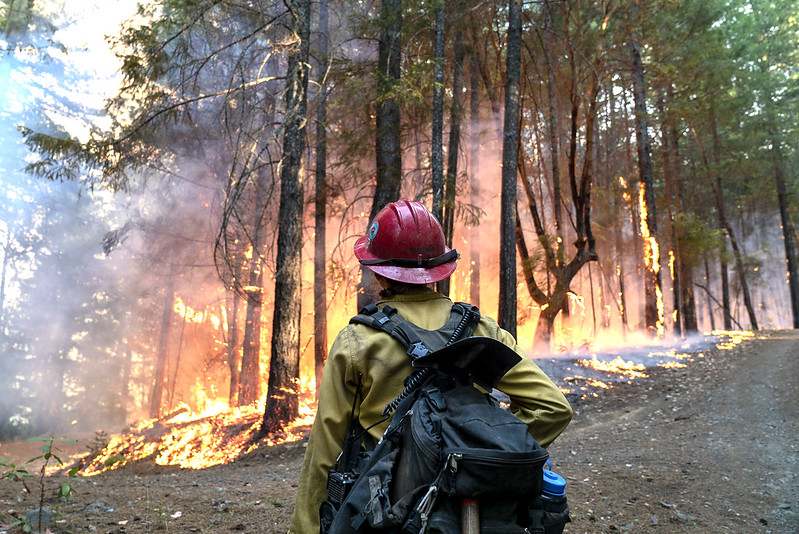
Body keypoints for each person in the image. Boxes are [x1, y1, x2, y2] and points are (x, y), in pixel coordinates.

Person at [288, 199, 573, 534]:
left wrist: (304, 528)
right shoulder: (481, 330)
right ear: (441, 267)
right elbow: (552, 408)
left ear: (378, 270)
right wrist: (480, 455)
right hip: (470, 508)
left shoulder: (357, 342)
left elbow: (325, 450)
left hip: (385, 514)